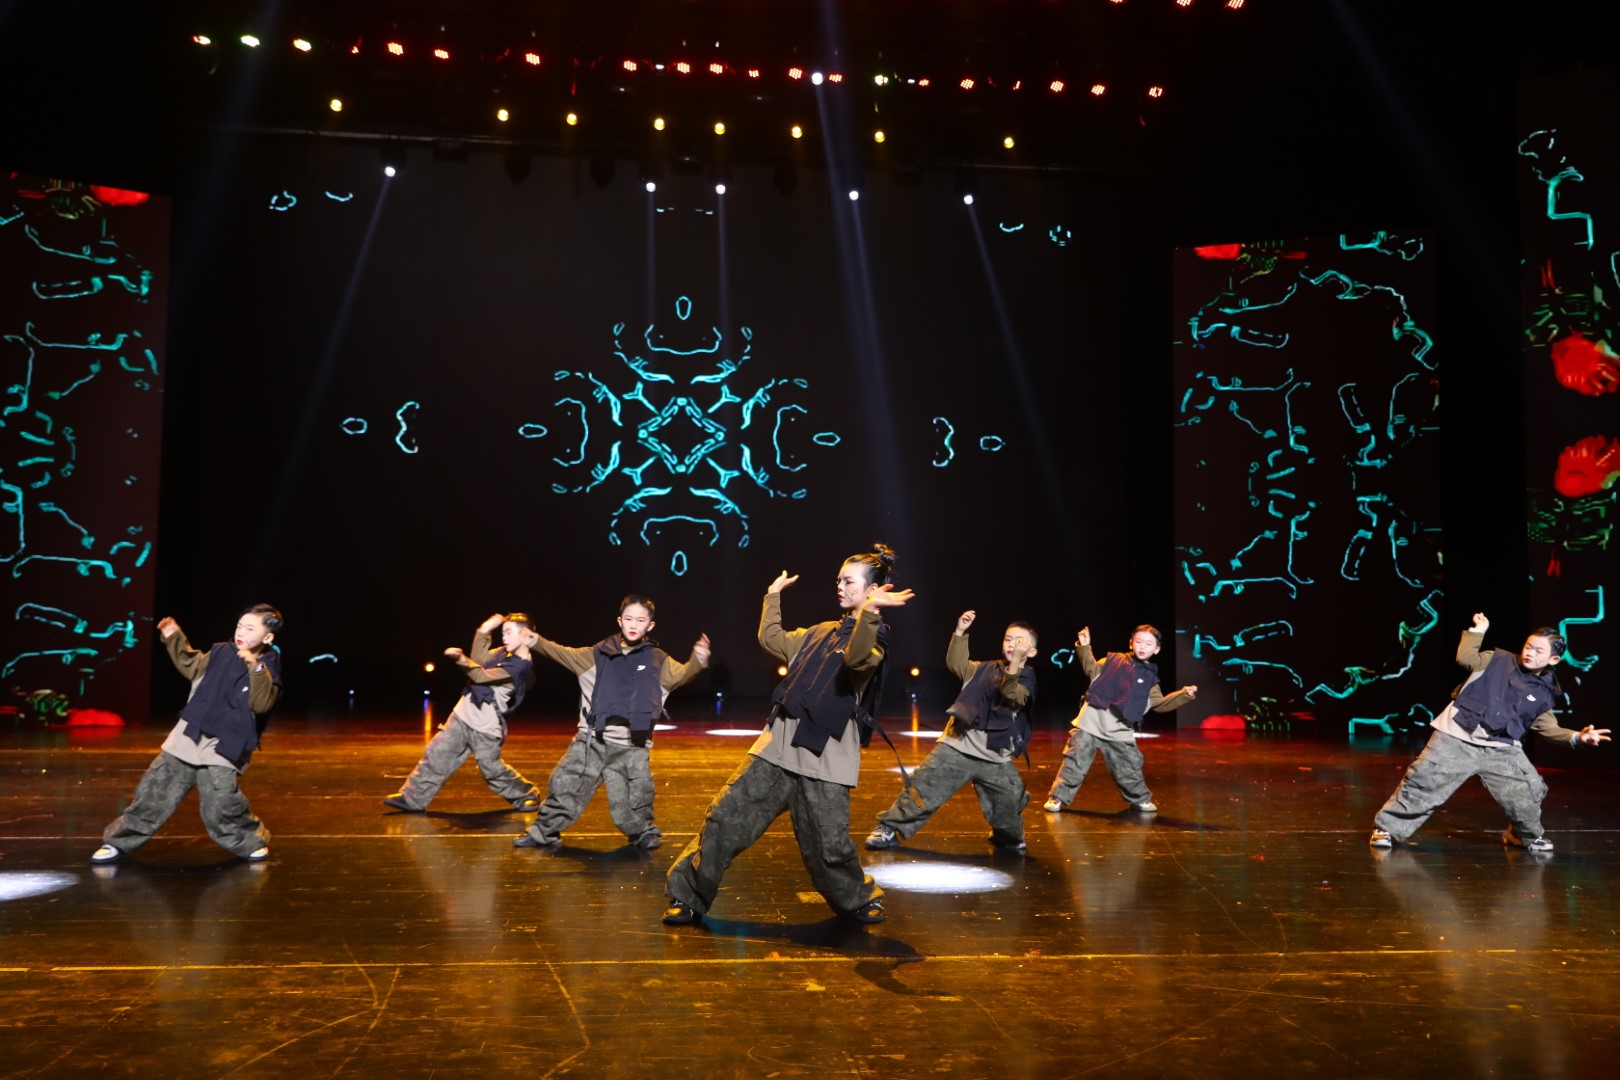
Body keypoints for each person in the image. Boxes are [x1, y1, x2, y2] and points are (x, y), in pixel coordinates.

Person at [664, 543, 912, 926]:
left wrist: (869, 615)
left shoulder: (875, 640)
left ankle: (856, 898)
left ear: (872, 590)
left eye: (849, 582)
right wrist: (773, 596)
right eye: (839, 580)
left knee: (829, 849)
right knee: (724, 821)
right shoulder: (820, 632)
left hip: (824, 761)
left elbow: (856, 660)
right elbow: (773, 639)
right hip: (775, 751)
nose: (840, 587)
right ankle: (687, 896)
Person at [1369, 613, 1610, 851]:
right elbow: (1466, 658)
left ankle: (1523, 836)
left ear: (1553, 660)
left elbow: (1547, 727)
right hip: (1457, 737)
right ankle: (1387, 829)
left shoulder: (1544, 692)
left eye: (1539, 651)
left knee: (1527, 791)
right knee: (1424, 783)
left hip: (1500, 747)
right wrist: (1478, 631)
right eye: (1528, 647)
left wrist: (1577, 737)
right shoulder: (1496, 659)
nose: (1530, 653)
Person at [512, 595, 710, 852]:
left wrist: (697, 661)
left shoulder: (658, 660)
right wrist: (536, 641)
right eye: (628, 619)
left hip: (631, 745)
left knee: (635, 796)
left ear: (650, 625)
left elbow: (681, 676)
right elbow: (562, 653)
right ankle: (542, 832)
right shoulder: (597, 655)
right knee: (566, 785)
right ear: (619, 621)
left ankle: (643, 833)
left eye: (640, 620)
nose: (633, 625)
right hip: (591, 741)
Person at [93, 604, 284, 863]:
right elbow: (192, 665)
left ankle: (248, 841)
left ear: (267, 637)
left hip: (225, 743)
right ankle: (118, 842)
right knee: (154, 793)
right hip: (189, 733)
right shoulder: (221, 651)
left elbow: (261, 704)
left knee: (222, 802)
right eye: (240, 626)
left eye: (250, 629)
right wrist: (174, 636)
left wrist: (255, 667)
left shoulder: (268, 667)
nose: (241, 632)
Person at [866, 611, 1037, 853]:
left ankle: (1006, 837)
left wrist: (1016, 663)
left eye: (1020, 641)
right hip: (958, 746)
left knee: (1008, 806)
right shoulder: (983, 669)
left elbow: (1010, 694)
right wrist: (960, 632)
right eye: (1009, 639)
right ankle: (889, 828)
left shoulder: (1027, 681)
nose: (1013, 644)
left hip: (995, 756)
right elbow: (956, 664)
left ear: (1032, 651)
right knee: (923, 788)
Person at [383, 613, 542, 813]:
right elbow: (479, 660)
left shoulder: (520, 667)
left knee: (491, 769)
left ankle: (526, 794)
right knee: (437, 754)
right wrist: (484, 630)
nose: (504, 637)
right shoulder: (504, 652)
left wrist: (460, 659)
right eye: (503, 632)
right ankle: (412, 798)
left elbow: (481, 675)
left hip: (485, 724)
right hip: (463, 714)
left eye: (509, 633)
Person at [1043, 624, 1196, 814]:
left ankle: (1139, 799)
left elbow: (1159, 704)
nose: (1143, 646)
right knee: (1075, 762)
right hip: (1090, 723)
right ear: (1131, 643)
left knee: (1128, 767)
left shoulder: (1150, 678)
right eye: (1139, 641)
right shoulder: (1112, 660)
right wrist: (1084, 647)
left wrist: (1184, 695)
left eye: (1149, 644)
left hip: (1119, 730)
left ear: (1156, 649)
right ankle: (1057, 797)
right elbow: (1091, 669)